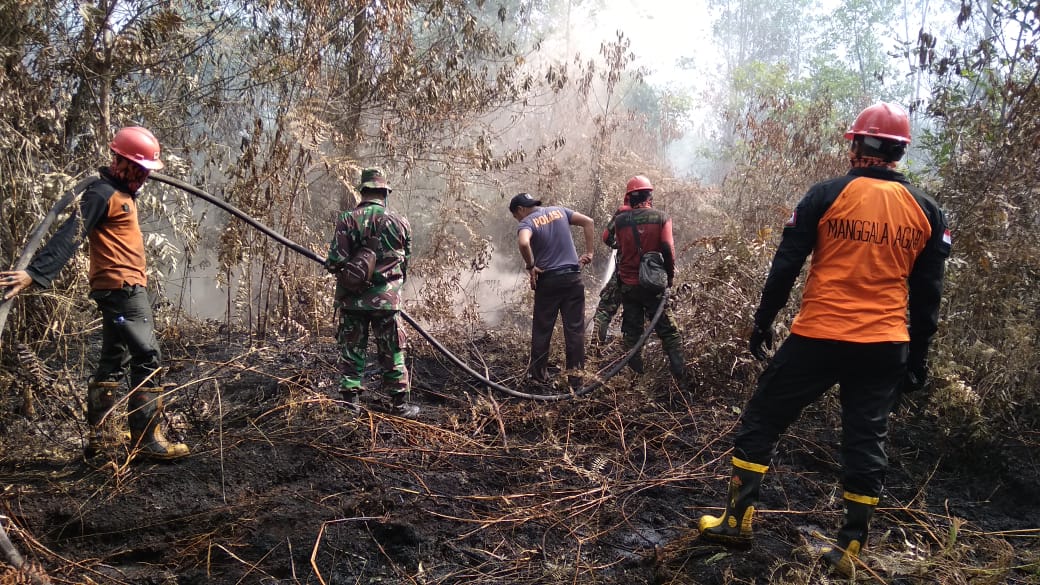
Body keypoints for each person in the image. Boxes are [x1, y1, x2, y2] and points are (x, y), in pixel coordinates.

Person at [696, 102, 952, 578]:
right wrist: (917, 359)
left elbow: (787, 264)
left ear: (856, 145)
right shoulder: (928, 212)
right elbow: (927, 297)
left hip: (818, 337)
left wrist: (763, 321)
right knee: (865, 439)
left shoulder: (825, 195)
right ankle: (850, 546)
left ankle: (736, 521)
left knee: (762, 420)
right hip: (884, 345)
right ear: (900, 152)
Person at [0, 126, 190, 461]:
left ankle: (101, 443)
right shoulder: (102, 194)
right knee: (148, 356)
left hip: (116, 291)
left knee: (113, 361)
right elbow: (71, 234)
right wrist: (35, 274)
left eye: (147, 171)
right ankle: (148, 442)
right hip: (123, 291)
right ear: (121, 163)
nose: (143, 177)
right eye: (139, 169)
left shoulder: (119, 193)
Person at [326, 167, 418, 418]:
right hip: (387, 301)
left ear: (363, 191)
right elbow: (405, 263)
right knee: (392, 350)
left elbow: (335, 261)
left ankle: (350, 404)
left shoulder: (347, 219)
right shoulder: (401, 223)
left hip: (352, 300)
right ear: (385, 193)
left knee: (352, 349)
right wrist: (392, 289)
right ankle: (400, 405)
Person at [509, 192, 595, 389]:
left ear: (520, 210)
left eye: (516, 215)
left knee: (542, 330)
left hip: (549, 281)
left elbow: (523, 242)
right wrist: (589, 253)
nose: (517, 219)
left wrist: (531, 266)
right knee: (575, 331)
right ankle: (576, 381)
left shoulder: (527, 223)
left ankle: (539, 378)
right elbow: (588, 222)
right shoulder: (559, 211)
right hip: (573, 278)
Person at [604, 175, 685, 380]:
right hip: (654, 286)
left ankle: (636, 380)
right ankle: (681, 378)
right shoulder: (662, 217)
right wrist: (670, 276)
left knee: (632, 334)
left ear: (629, 198)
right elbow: (668, 248)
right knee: (669, 332)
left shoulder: (621, 220)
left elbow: (611, 240)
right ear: (650, 196)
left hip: (628, 286)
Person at [592, 191, 631, 344]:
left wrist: (618, 246)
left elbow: (606, 236)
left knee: (604, 309)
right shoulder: (656, 217)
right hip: (648, 275)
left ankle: (595, 350)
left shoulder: (622, 212)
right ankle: (630, 351)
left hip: (624, 272)